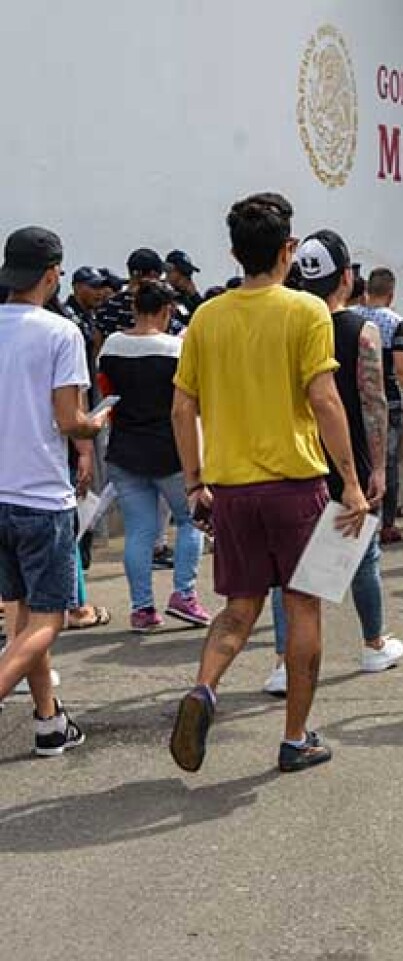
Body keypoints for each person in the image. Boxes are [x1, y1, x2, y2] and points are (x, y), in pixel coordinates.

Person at [167, 192, 369, 775]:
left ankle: (204, 688)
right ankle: (295, 737)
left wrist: (195, 483)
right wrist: (351, 483)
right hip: (297, 487)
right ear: (287, 250)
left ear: (234, 253)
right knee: (303, 607)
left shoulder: (207, 317)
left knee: (237, 611)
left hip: (231, 491)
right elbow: (325, 399)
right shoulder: (306, 313)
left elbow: (183, 410)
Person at [263, 229, 401, 697]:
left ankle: (284, 662)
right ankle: (372, 643)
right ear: (346, 277)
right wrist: (378, 466)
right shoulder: (360, 330)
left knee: (289, 571)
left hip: (293, 460)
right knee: (364, 559)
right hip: (349, 463)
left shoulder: (283, 324)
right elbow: (373, 401)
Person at [0, 226, 110, 756]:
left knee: (21, 616)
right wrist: (97, 422)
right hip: (40, 495)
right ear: (50, 274)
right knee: (51, 619)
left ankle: (49, 723)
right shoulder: (61, 333)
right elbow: (70, 420)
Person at [96, 279, 211, 633]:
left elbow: (107, 394)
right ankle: (184, 595)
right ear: (165, 311)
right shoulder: (177, 349)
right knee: (191, 518)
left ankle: (142, 608)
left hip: (125, 449)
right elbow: (190, 405)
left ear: (134, 308)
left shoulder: (111, 347)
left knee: (139, 532)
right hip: (171, 449)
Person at [357, 266, 403, 543]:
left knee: (361, 458)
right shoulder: (395, 322)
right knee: (388, 463)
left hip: (357, 398)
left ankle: (361, 515)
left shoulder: (351, 318)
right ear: (391, 294)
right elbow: (402, 368)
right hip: (389, 400)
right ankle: (386, 524)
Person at [164, 249, 204, 318]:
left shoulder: (185, 297)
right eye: (183, 273)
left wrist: (195, 295)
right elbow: (186, 318)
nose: (187, 278)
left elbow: (205, 316)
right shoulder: (162, 294)